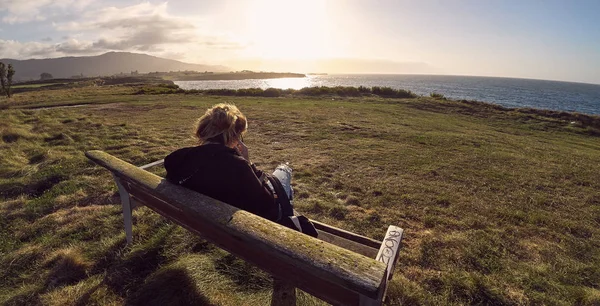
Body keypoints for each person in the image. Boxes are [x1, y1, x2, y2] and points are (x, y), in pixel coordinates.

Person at [164, 103, 293, 223]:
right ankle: (291, 213)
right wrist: (249, 163)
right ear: (233, 136)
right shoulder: (238, 165)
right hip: (245, 223)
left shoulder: (176, 158)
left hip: (201, 221)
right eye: (239, 135)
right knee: (284, 170)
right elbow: (267, 204)